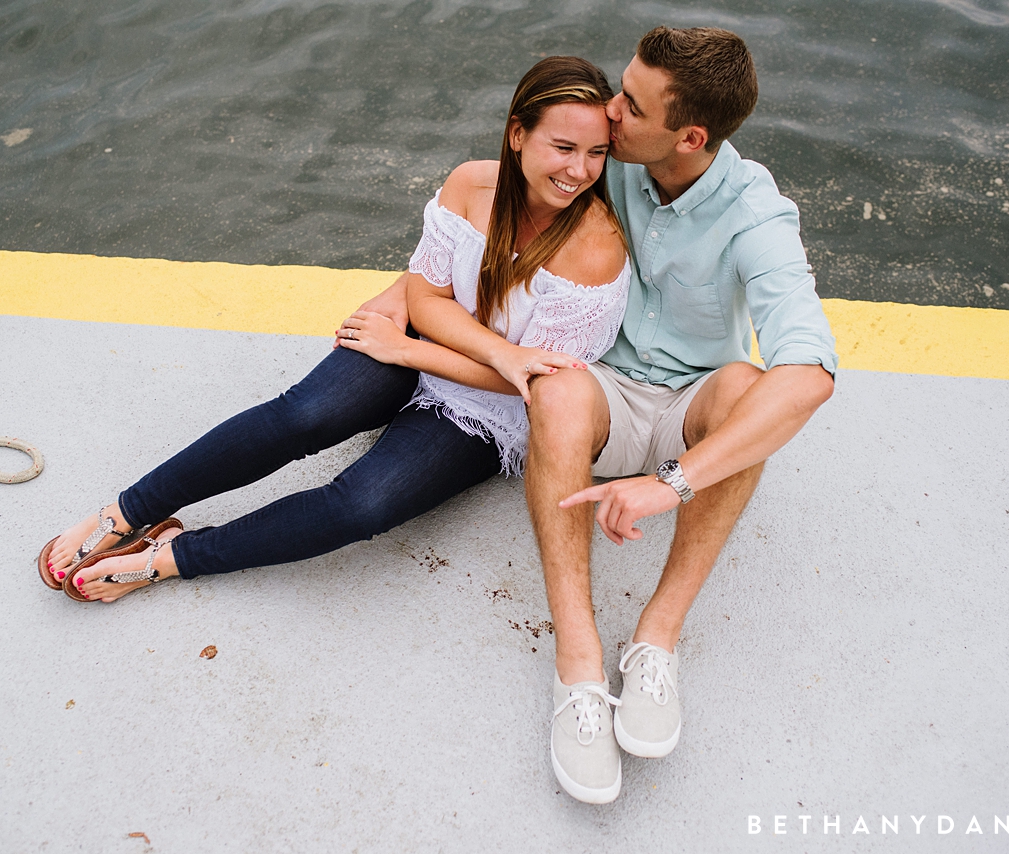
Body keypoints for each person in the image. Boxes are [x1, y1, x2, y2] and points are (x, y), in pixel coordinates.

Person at [412, 27, 838, 804]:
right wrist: (405, 302)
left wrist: (673, 482)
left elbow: (810, 375)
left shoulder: (757, 215)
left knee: (750, 384)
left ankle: (655, 639)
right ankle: (577, 666)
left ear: (691, 137)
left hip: (686, 407)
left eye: (631, 105)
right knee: (562, 386)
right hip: (594, 390)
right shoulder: (606, 162)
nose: (609, 112)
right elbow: (493, 205)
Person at [35, 56, 632, 607]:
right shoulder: (473, 185)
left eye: (597, 153)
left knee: (362, 504)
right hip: (431, 343)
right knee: (303, 415)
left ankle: (171, 558)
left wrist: (406, 348)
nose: (578, 171)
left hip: (489, 405)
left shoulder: (595, 248)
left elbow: (531, 385)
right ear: (517, 134)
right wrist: (427, 344)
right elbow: (425, 296)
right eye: (563, 147)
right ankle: (125, 512)